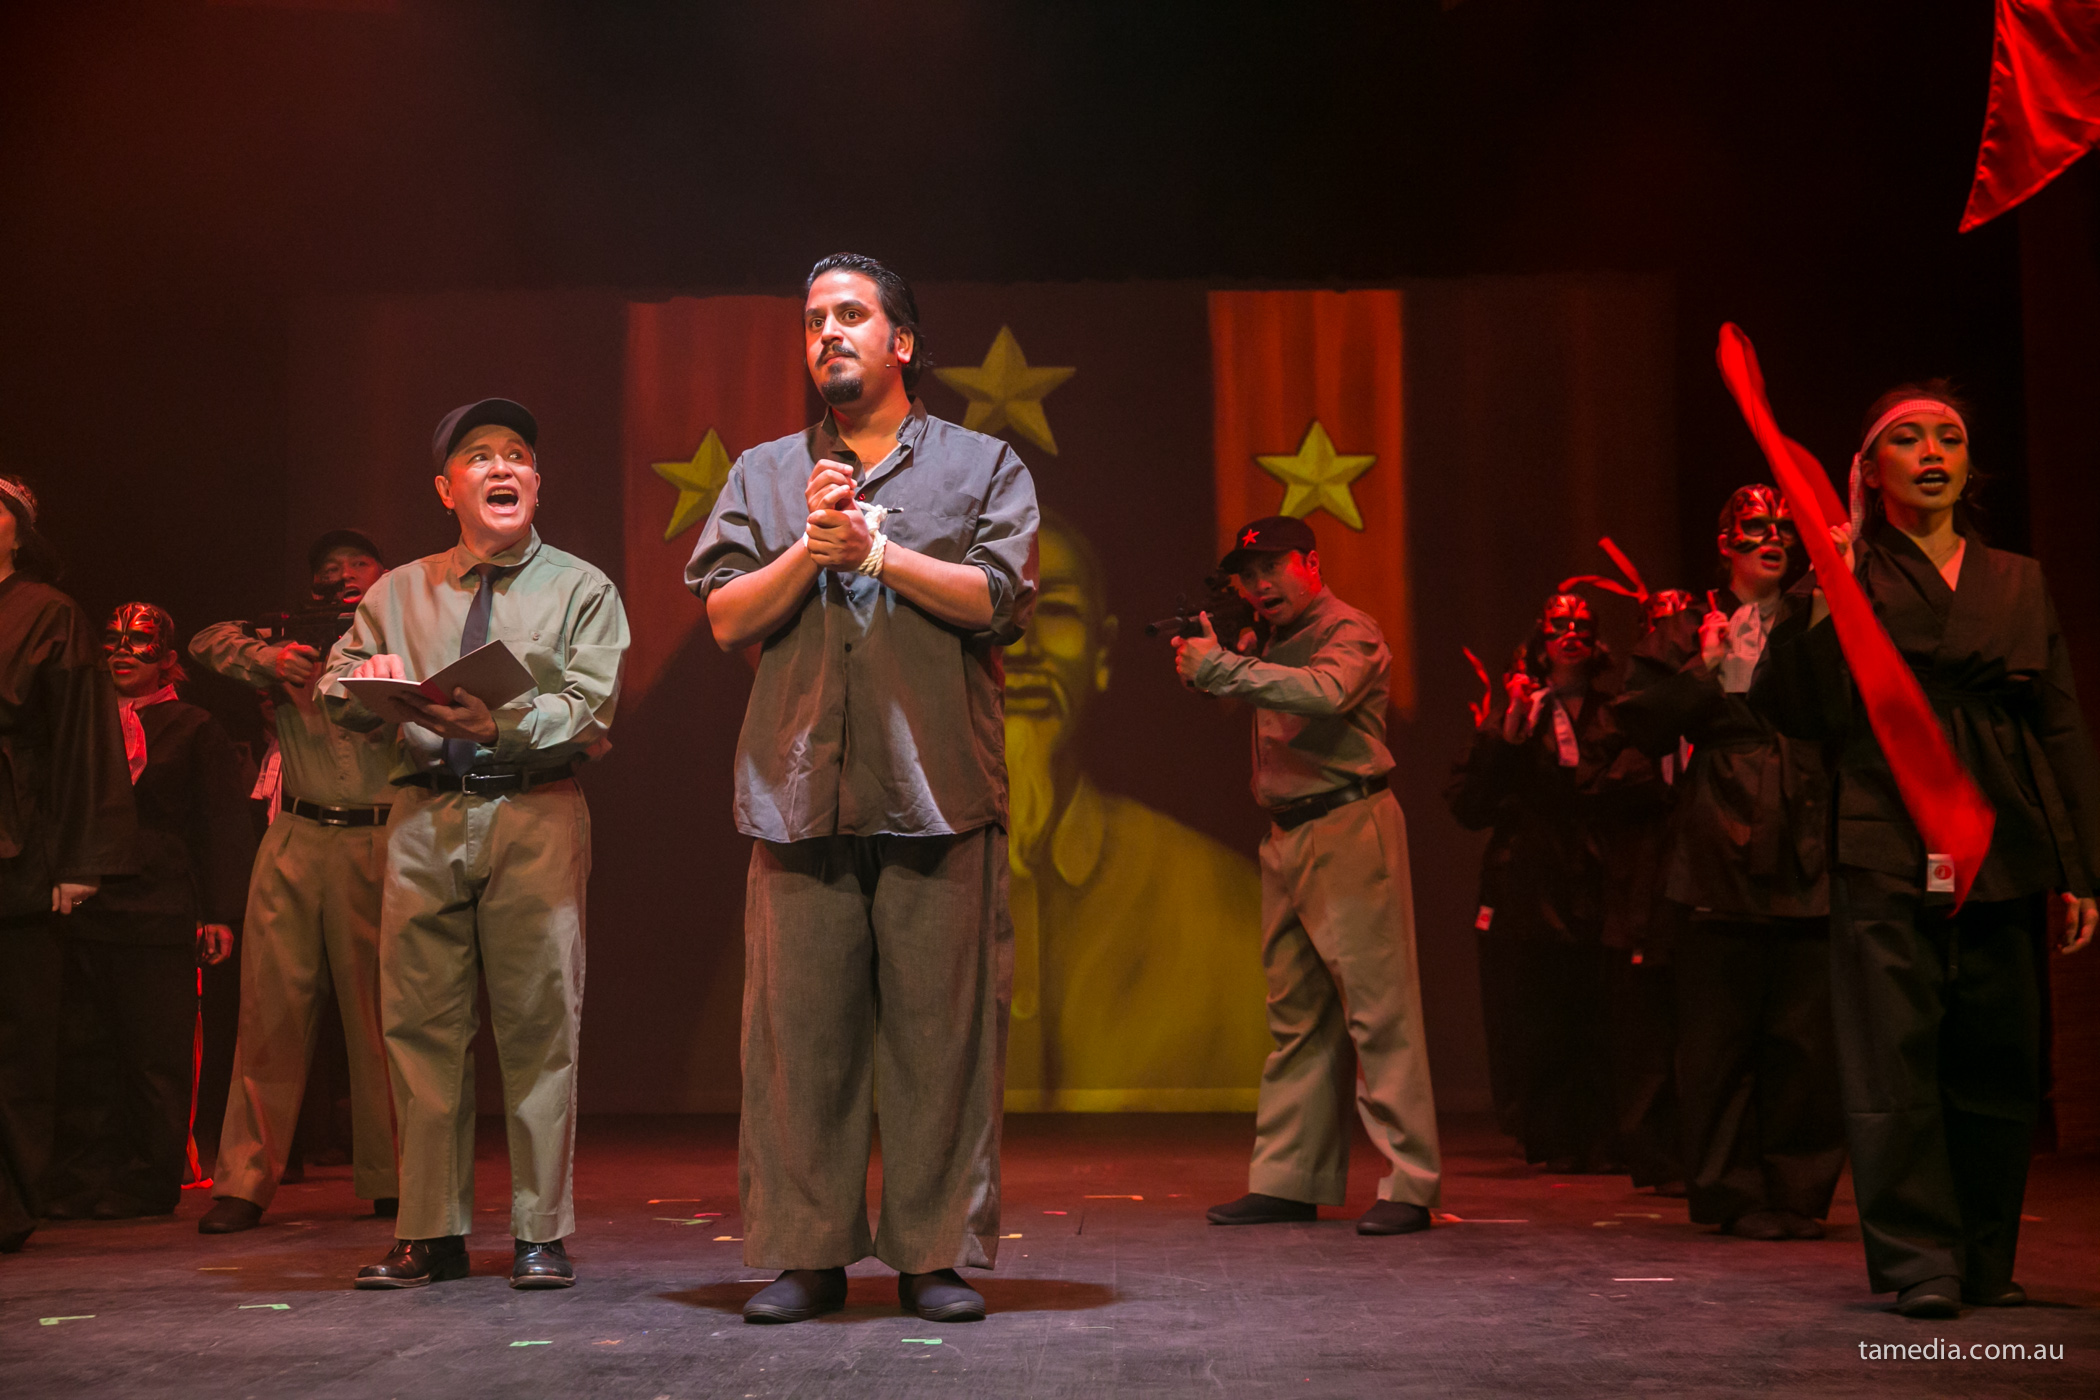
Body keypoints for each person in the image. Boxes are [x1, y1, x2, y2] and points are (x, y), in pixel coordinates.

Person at [688, 253, 1037, 1324]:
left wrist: (880, 557)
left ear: (903, 342)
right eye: (812, 321)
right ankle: (809, 1253)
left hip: (939, 788)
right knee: (800, 1043)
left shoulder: (983, 464)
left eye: (850, 314)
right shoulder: (763, 472)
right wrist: (814, 547)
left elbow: (999, 598)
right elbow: (726, 615)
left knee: (942, 1039)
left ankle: (934, 1255)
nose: (827, 333)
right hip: (800, 793)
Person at [1757, 385, 2099, 1318]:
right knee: (1893, 1056)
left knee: (1997, 1055)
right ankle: (1921, 1262)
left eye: (1949, 437)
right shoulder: (1849, 571)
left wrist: (2081, 867)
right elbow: (1793, 710)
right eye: (1908, 440)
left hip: (2000, 828)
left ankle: (1985, 1257)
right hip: (1886, 823)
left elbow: (2059, 724)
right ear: (1870, 471)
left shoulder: (2017, 579)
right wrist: (1821, 599)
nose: (1933, 453)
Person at [321, 398, 629, 1290]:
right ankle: (430, 1232)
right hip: (424, 814)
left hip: (533, 809)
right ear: (445, 488)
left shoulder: (580, 587)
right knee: (420, 1028)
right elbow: (336, 682)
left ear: (537, 482)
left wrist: (500, 724)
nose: (503, 467)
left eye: (518, 455)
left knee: (540, 1022)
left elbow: (592, 707)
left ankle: (540, 1232)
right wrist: (367, 677)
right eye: (481, 456)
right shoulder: (397, 591)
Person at [1174, 514, 1442, 1235]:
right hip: (1288, 832)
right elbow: (1257, 687)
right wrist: (1216, 663)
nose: (1260, 583)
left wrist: (1222, 668)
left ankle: (1411, 1183)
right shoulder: (1270, 639)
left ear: (1312, 564)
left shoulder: (1350, 630)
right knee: (1296, 1017)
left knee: (1379, 1013)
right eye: (1249, 574)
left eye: (1273, 566)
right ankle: (1290, 1179)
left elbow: (1325, 692)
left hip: (1349, 825)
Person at [1615, 487, 1845, 1240]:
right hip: (1718, 833)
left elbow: (1851, 710)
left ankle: (1799, 1191)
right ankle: (1730, 1190)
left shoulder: (1817, 614)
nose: (1772, 538)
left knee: (1804, 1034)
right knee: (1718, 1035)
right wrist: (1702, 670)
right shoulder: (1687, 624)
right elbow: (1637, 726)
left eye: (1784, 528)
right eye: (1755, 527)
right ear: (1725, 542)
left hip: (1807, 825)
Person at [1003, 509, 1268, 1109]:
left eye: (1057, 613)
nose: (1023, 647)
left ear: (1102, 653)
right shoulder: (880, 888)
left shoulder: (1219, 905)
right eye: (995, 613)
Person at [191, 529, 401, 1233]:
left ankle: (394, 1176)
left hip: (380, 834)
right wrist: (268, 659)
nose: (344, 574)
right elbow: (207, 640)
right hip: (297, 832)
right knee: (269, 1012)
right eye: (330, 567)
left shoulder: (408, 629)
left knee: (382, 1018)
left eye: (358, 563)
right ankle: (244, 1181)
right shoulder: (289, 637)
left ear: (385, 572)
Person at [46, 604, 252, 1220]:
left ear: (167, 659)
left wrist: (219, 912)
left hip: (160, 907)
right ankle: (83, 1177)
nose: (122, 651)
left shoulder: (193, 726)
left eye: (139, 642)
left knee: (154, 1051)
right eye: (112, 640)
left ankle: (147, 1179)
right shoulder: (80, 723)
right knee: (85, 1048)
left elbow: (219, 823)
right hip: (88, 906)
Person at [1445, 593, 1661, 1174]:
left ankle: (1602, 1135)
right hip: (1530, 886)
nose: (1570, 634)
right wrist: (1512, 730)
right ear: (1540, 640)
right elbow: (1470, 804)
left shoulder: (1617, 713)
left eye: (1582, 626)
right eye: (1559, 625)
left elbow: (1634, 787)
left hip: (1598, 880)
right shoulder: (1518, 717)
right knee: (1535, 1011)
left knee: (1601, 1010)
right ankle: (1549, 1134)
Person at [0, 476, 135, 1252]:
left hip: (19, 845)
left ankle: (12, 1203)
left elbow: (85, 738)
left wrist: (80, 861)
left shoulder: (47, 612)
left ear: (19, 532)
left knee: (18, 1039)